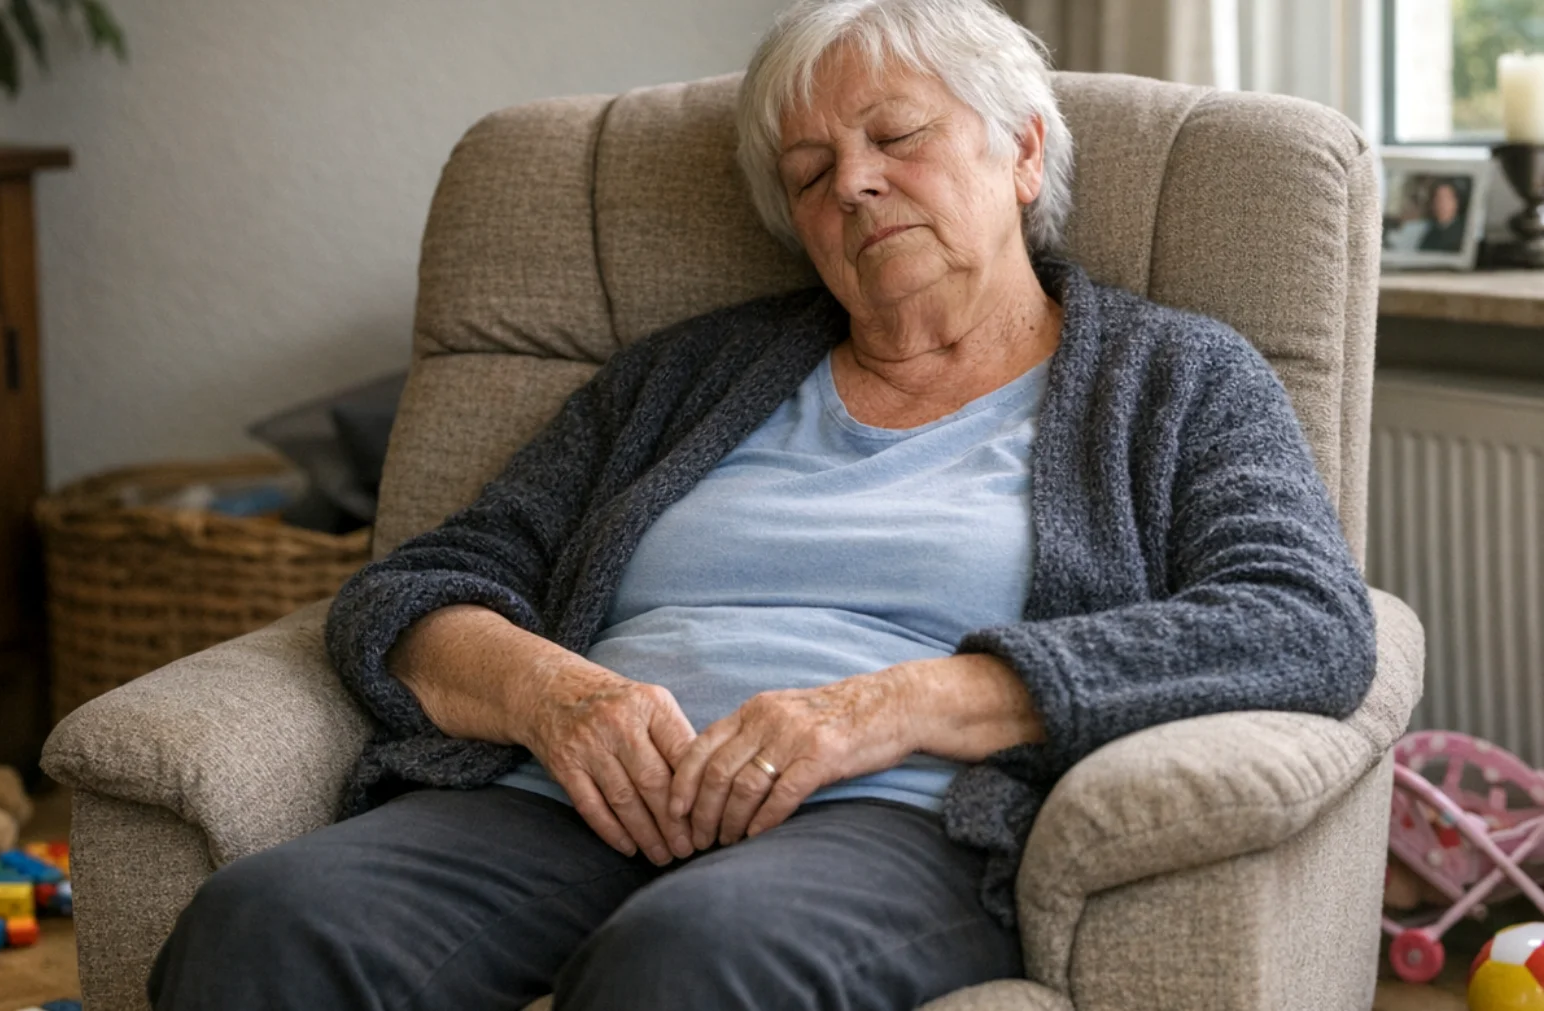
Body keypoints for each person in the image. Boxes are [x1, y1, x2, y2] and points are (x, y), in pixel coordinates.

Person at [148, 0, 1377, 1008]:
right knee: (266, 920)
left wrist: (892, 708)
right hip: (576, 801)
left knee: (688, 963)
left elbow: (1301, 623)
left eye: (898, 137)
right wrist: (555, 697)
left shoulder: (1171, 377)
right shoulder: (686, 378)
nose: (854, 184)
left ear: (1022, 152)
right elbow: (418, 583)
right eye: (811, 170)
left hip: (892, 821)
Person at [1419, 177, 1468, 253]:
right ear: (1432, 204)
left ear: (1456, 203)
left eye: (1447, 198)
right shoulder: (1429, 234)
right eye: (1438, 198)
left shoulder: (1464, 233)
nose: (1442, 204)